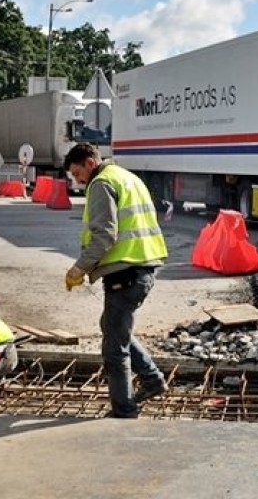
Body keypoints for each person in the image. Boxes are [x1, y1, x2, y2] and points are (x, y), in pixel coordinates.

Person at [63, 143, 168, 419]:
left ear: (89, 162)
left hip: (125, 272)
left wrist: (79, 268)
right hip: (144, 267)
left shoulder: (101, 183)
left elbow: (105, 235)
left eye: (77, 173)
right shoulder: (128, 177)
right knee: (111, 328)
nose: (77, 180)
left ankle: (124, 409)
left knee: (114, 347)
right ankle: (152, 378)